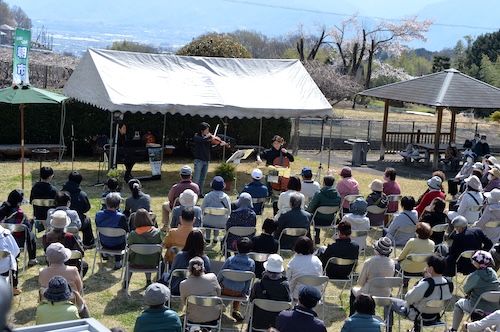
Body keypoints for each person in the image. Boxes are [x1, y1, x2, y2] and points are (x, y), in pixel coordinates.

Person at [388, 255, 453, 332]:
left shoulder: (426, 284)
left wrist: (421, 281)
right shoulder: (449, 283)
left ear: (431, 269)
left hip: (418, 316)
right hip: (435, 316)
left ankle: (388, 329)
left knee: (389, 301)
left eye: (427, 266)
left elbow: (408, 299)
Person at [449, 250, 499, 332]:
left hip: (478, 306)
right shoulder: (493, 273)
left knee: (458, 304)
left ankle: (453, 329)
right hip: (494, 309)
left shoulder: (476, 275)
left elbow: (465, 289)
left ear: (477, 263)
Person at [350, 237, 395, 316]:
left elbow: (360, 283)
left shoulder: (369, 262)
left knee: (353, 291)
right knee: (390, 297)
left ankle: (352, 317)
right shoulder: (392, 263)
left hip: (368, 294)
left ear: (376, 249)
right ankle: (389, 325)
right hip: (385, 294)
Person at [249, 254, 291, 331]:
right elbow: (289, 302)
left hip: (258, 323)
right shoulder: (285, 285)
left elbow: (251, 299)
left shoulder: (258, 284)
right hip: (279, 324)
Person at [218, 237, 255, 322]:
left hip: (225, 290)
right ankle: (235, 310)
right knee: (239, 284)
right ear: (250, 249)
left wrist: (217, 284)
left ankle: (219, 306)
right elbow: (248, 280)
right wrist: (244, 292)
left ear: (236, 247)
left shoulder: (230, 260)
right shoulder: (252, 263)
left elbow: (221, 274)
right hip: (239, 292)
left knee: (227, 283)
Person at [165, 230, 211, 295]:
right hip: (198, 291)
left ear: (188, 241)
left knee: (165, 275)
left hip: (178, 289)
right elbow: (208, 276)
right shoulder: (205, 259)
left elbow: (172, 274)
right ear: (202, 243)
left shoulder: (179, 256)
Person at [43, 210, 87, 277]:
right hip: (71, 266)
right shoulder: (70, 236)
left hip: (53, 267)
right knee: (85, 265)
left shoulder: (46, 237)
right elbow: (81, 253)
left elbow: (46, 252)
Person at [180, 256, 221, 326]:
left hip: (193, 319)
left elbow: (184, 302)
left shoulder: (183, 284)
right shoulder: (213, 277)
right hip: (213, 318)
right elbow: (218, 293)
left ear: (189, 269)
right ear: (203, 268)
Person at [126, 208, 162, 288]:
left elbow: (128, 245)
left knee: (130, 258)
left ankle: (126, 282)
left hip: (136, 263)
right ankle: (148, 280)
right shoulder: (157, 233)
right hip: (153, 263)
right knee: (148, 254)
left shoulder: (133, 235)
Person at [0, 189, 37, 266]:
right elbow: (27, 228)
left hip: (2, 239)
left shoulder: (2, 207)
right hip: (16, 240)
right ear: (19, 202)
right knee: (32, 234)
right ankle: (32, 259)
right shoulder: (19, 214)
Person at [394, 222, 435, 289]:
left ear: (417, 232)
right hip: (423, 271)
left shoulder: (412, 241)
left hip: (407, 270)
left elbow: (402, 257)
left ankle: (400, 283)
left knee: (395, 263)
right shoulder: (432, 243)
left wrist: (395, 259)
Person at [95, 192, 129, 270]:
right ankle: (118, 260)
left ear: (105, 203)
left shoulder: (98, 215)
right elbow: (127, 230)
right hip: (119, 244)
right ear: (118, 205)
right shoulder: (121, 217)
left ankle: (106, 253)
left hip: (104, 242)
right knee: (120, 237)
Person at [61, 171, 94, 248]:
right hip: (77, 222)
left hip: (61, 222)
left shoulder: (61, 193)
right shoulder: (82, 195)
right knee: (87, 220)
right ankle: (88, 243)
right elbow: (87, 208)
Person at [193, 122, 227, 197]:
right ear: (202, 130)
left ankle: (200, 193)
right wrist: (211, 137)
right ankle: (194, 194)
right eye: (206, 130)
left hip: (206, 160)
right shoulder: (197, 136)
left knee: (202, 179)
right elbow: (202, 140)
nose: (208, 132)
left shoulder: (208, 139)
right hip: (199, 160)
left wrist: (220, 145)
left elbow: (211, 149)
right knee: (196, 179)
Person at [306, 175, 341, 244]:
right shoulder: (338, 196)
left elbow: (310, 208)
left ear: (323, 183)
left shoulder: (319, 194)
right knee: (318, 214)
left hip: (317, 220)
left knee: (308, 216)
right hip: (331, 220)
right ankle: (316, 236)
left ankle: (309, 238)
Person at [200, 176, 231, 244]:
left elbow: (202, 210)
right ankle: (215, 237)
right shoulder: (226, 197)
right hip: (222, 223)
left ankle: (207, 237)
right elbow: (229, 211)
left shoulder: (207, 196)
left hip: (208, 222)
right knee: (218, 218)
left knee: (209, 218)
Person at [30, 166, 57, 230]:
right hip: (51, 218)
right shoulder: (53, 190)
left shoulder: (34, 188)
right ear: (50, 177)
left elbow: (31, 201)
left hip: (38, 217)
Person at [0, 223, 20, 295]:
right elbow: (16, 251)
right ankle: (14, 286)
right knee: (14, 260)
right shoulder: (6, 233)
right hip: (4, 269)